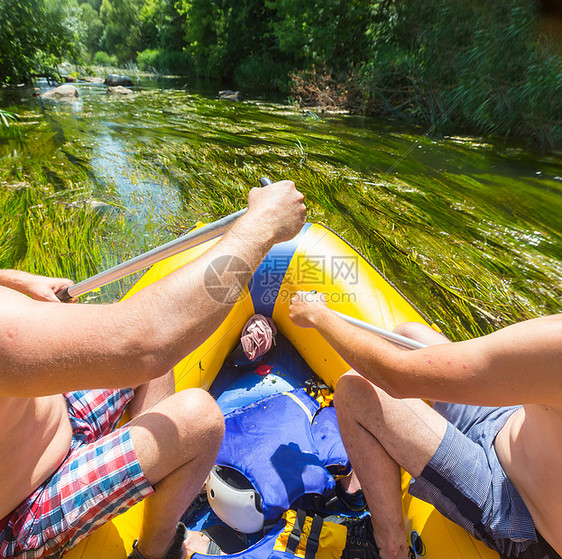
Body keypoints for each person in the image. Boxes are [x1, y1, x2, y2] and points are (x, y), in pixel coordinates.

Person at [0, 180, 306, 559]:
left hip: (53, 411)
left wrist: (18, 281)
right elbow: (145, 343)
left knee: (151, 367)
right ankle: (156, 550)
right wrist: (263, 223)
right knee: (199, 420)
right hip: (25, 508)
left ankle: (164, 475)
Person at [289, 291, 561, 559]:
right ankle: (361, 488)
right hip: (509, 427)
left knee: (355, 392)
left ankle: (389, 549)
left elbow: (394, 375)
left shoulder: (553, 344)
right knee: (409, 335)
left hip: (516, 508)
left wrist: (318, 316)